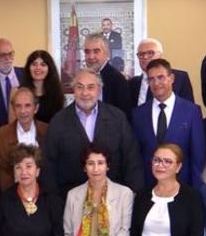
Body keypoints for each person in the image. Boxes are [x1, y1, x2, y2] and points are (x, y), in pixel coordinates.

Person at [42, 69, 143, 198]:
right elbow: (49, 165)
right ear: (73, 90)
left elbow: (131, 158)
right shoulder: (59, 121)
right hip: (71, 199)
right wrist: (54, 201)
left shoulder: (117, 118)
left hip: (113, 198)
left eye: (90, 87)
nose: (85, 93)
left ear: (99, 90)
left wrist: (132, 192)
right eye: (80, 87)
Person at [132, 58, 206, 187]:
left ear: (171, 78)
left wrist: (197, 191)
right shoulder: (138, 114)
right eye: (151, 79)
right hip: (149, 188)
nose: (156, 83)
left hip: (182, 187)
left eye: (161, 77)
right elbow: (136, 156)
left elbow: (197, 157)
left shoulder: (191, 111)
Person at [0, 87, 49, 191]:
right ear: (13, 109)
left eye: (27, 106)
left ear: (36, 108)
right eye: (18, 106)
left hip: (43, 193)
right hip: (12, 193)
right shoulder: (3, 134)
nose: (23, 111)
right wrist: (13, 192)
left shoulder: (47, 131)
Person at [127, 38, 194, 107]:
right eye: (141, 54)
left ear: (160, 55)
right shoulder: (132, 83)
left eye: (150, 53)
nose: (145, 57)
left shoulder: (180, 78)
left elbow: (188, 109)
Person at [83, 33, 130, 116]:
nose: (91, 56)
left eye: (96, 51)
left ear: (107, 53)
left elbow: (123, 116)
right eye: (87, 52)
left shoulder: (118, 80)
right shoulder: (82, 78)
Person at [22, 50, 65, 123]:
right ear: (28, 68)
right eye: (34, 64)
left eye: (43, 64)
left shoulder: (57, 94)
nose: (38, 67)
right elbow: (13, 125)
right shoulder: (18, 92)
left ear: (49, 68)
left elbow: (60, 123)